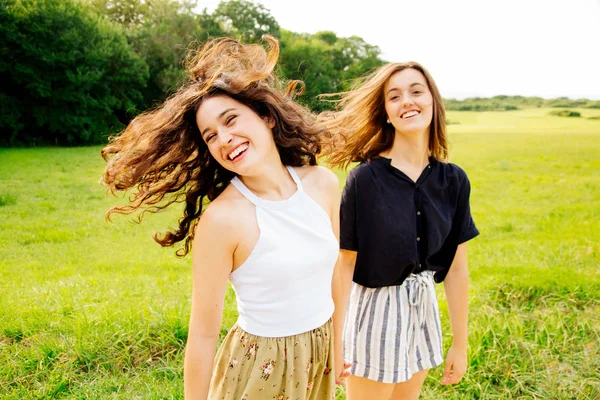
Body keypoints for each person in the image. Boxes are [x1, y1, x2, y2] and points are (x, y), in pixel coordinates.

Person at [101, 35, 346, 400]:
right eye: (211, 136)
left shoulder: (322, 183)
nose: (225, 139)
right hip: (260, 368)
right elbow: (202, 334)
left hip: (320, 353)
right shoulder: (222, 220)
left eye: (231, 120)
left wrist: (340, 343)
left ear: (265, 117)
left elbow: (340, 271)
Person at [321, 62, 479, 399]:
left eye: (416, 91)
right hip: (375, 313)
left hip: (423, 307)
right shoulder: (364, 179)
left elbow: (456, 267)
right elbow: (344, 263)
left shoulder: (453, 180)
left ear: (433, 103)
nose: (407, 100)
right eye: (395, 97)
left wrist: (460, 344)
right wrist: (337, 341)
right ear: (387, 114)